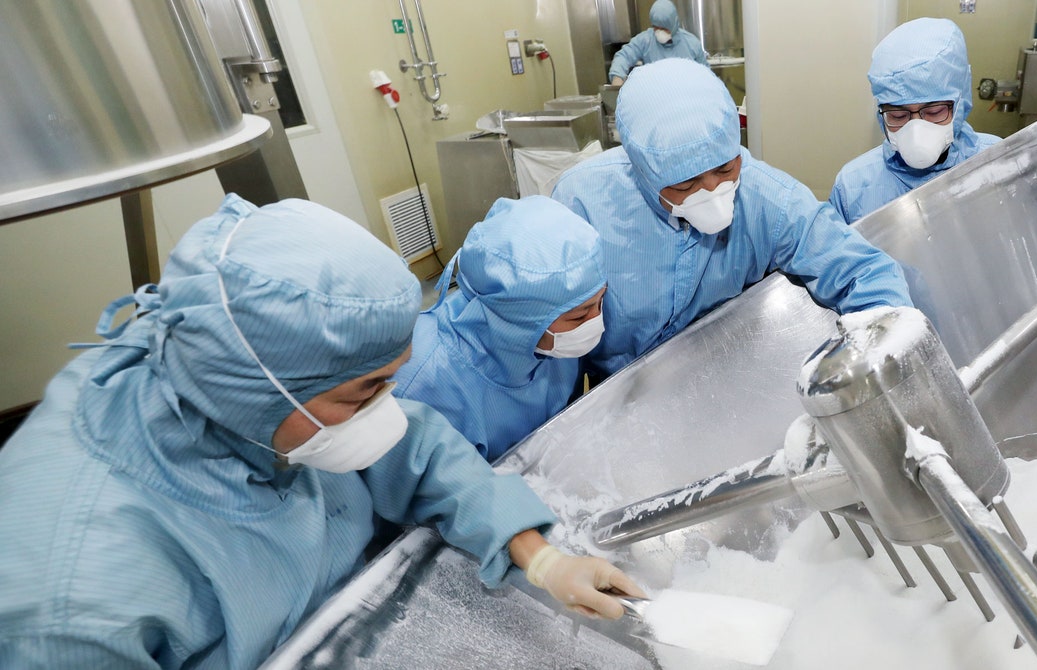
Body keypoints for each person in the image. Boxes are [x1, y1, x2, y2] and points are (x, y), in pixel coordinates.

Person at [0, 195, 643, 668]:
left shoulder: (259, 384)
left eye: (389, 381)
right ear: (262, 393)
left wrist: (541, 557)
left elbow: (417, 449)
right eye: (366, 391)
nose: (389, 406)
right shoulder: (71, 605)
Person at [552, 58, 913, 378]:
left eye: (725, 169)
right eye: (686, 184)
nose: (712, 191)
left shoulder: (764, 197)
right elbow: (553, 334)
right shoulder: (584, 203)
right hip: (616, 388)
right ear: (643, 173)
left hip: (717, 372)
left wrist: (890, 347)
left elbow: (861, 270)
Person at [393, 196, 606, 463]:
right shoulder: (423, 386)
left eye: (601, 301)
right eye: (580, 315)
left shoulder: (554, 341)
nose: (596, 320)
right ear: (519, 321)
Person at [829, 18, 1002, 224]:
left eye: (934, 112)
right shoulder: (853, 185)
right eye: (898, 116)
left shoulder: (999, 161)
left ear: (960, 101)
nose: (916, 131)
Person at [609, 0, 707, 86]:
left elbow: (706, 75)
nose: (659, 32)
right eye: (656, 27)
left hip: (685, 94)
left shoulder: (691, 44)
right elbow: (624, 56)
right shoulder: (646, 40)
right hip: (655, 95)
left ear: (674, 24)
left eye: (664, 28)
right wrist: (617, 77)